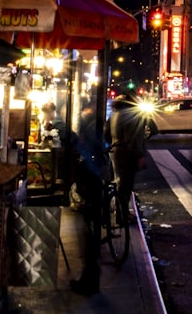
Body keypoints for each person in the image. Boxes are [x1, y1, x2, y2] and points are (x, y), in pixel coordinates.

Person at [70, 103, 106, 296]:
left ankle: (89, 280)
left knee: (89, 235)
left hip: (91, 185)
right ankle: (89, 277)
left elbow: (91, 154)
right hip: (93, 183)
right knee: (88, 235)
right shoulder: (95, 126)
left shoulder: (92, 129)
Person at [108, 93, 147, 219]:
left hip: (115, 151)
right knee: (126, 184)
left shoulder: (115, 115)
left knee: (120, 182)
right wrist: (140, 155)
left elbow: (105, 132)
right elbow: (133, 139)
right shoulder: (131, 116)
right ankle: (123, 214)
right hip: (126, 154)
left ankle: (120, 212)